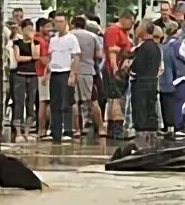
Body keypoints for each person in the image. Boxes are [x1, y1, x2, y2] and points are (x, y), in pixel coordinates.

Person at [46, 12, 81, 144]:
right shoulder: (53, 39)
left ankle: (68, 130)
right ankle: (56, 132)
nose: (58, 24)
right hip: (54, 72)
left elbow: (76, 57)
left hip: (66, 72)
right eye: (56, 22)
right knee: (54, 103)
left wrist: (73, 74)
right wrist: (47, 71)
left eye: (61, 21)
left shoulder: (72, 38)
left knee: (65, 103)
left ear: (66, 22)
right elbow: (50, 56)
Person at [130, 19, 163, 147]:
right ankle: (152, 136)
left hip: (142, 82)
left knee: (140, 109)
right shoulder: (156, 47)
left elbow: (137, 66)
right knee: (151, 109)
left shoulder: (144, 47)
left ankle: (142, 140)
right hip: (153, 82)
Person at [70, 16, 104, 138]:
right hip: (88, 71)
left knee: (74, 102)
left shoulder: (68, 36)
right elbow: (99, 55)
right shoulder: (92, 36)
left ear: (72, 24)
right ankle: (100, 128)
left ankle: (77, 129)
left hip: (71, 72)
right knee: (92, 101)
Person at [103, 11, 135, 139]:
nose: (132, 25)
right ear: (124, 19)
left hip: (120, 69)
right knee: (116, 100)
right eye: (131, 22)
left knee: (114, 100)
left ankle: (112, 129)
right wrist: (114, 68)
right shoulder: (113, 30)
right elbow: (112, 50)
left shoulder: (123, 32)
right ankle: (116, 129)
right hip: (114, 69)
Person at [11, 19, 39, 142]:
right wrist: (30, 58)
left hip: (33, 74)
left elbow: (36, 56)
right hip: (20, 74)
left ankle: (27, 132)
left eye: (31, 29)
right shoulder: (17, 42)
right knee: (19, 101)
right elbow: (18, 57)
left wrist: (32, 40)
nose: (29, 31)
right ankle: (18, 132)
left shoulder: (36, 42)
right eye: (27, 29)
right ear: (22, 30)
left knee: (31, 101)